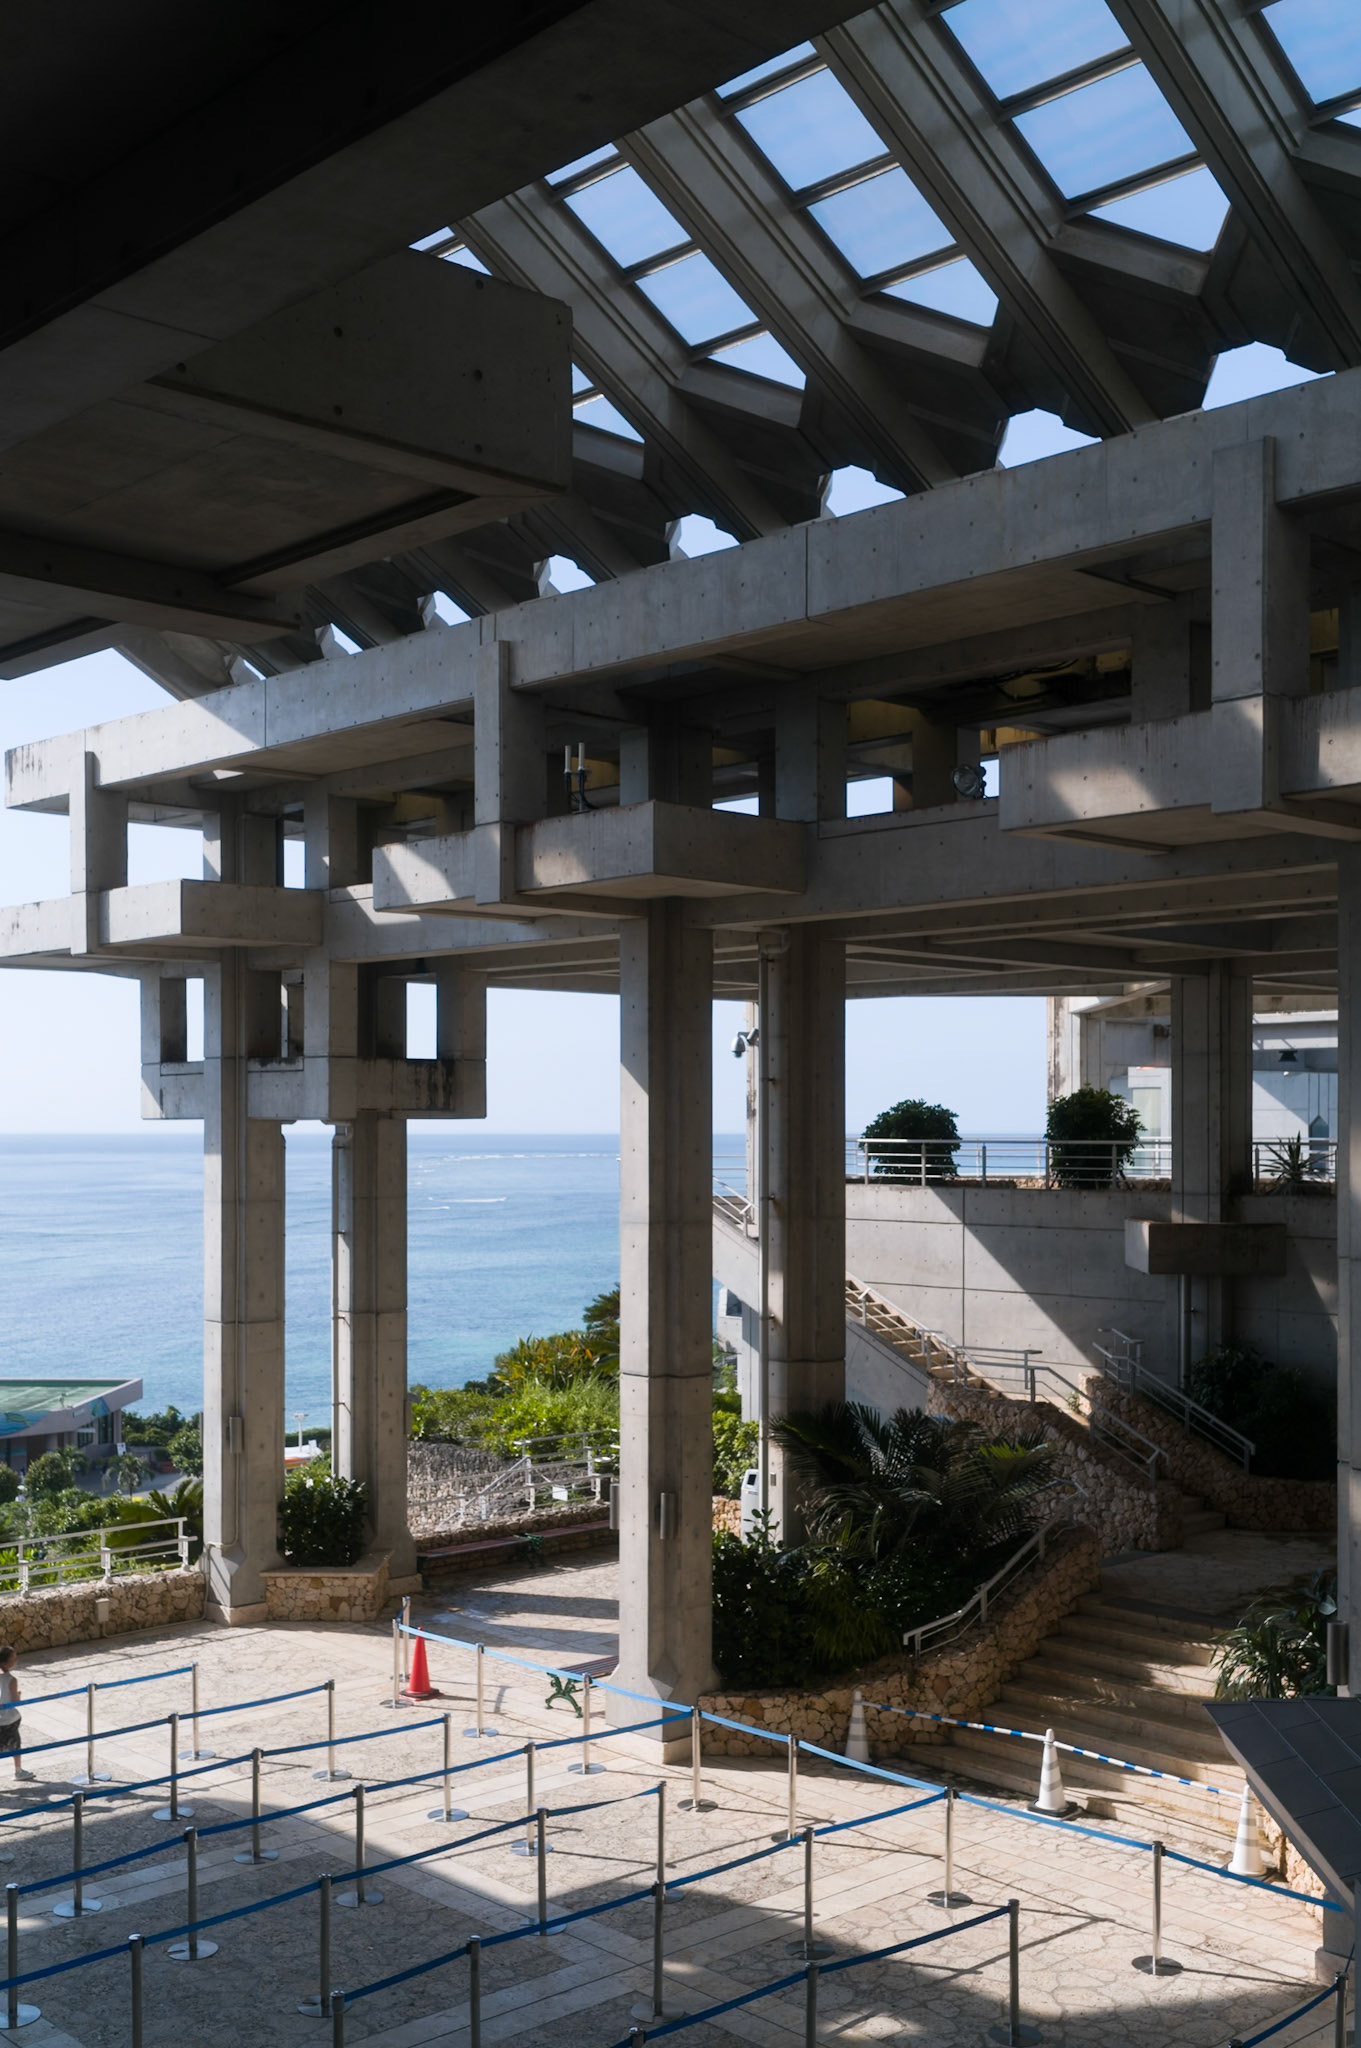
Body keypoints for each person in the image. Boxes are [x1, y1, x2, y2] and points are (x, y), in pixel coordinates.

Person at [0, 1648, 34, 1782]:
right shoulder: (11, 1680)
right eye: (14, 1659)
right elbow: (15, 1701)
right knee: (15, 1744)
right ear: (7, 1663)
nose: (16, 1660)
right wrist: (19, 1695)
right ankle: (18, 1770)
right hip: (10, 1719)